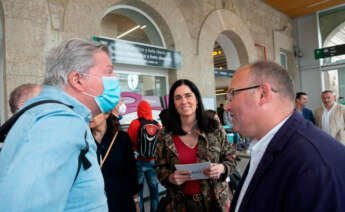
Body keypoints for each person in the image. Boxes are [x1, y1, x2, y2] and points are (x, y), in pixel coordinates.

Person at [0, 38, 121, 211]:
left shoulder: (46, 114)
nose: (114, 79)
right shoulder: (60, 122)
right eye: (108, 72)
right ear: (77, 80)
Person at [227, 61, 345, 212]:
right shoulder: (269, 146)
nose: (227, 106)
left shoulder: (314, 166)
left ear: (262, 94)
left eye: (232, 95)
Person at [155, 79, 237, 212]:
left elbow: (231, 158)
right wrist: (170, 177)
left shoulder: (213, 128)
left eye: (188, 95)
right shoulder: (165, 135)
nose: (184, 101)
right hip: (180, 205)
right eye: (178, 98)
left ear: (197, 99)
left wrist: (222, 168)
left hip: (216, 203)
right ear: (173, 104)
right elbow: (159, 167)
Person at [90, 101, 140, 212]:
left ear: (107, 113)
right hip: (94, 204)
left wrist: (136, 202)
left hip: (121, 202)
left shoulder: (122, 139)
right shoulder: (83, 139)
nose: (89, 115)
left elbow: (131, 172)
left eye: (94, 112)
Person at [128, 100, 161, 212]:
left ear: (139, 110)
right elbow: (160, 144)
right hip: (153, 161)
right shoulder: (157, 124)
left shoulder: (134, 123)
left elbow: (129, 142)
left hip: (139, 162)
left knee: (139, 192)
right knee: (154, 190)